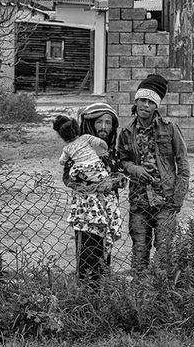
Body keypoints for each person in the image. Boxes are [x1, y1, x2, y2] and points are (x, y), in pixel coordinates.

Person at [116, 73, 190, 271]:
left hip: (165, 200)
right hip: (139, 201)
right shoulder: (126, 132)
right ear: (136, 101)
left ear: (156, 106)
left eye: (151, 102)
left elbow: (183, 165)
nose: (146, 105)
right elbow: (121, 161)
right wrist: (134, 169)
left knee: (164, 252)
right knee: (139, 251)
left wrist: (177, 199)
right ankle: (139, 287)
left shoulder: (169, 128)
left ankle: (160, 288)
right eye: (142, 100)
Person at [58, 107, 125, 284]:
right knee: (88, 257)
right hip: (86, 215)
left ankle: (103, 293)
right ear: (90, 124)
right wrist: (88, 187)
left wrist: (112, 182)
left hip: (108, 213)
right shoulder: (78, 149)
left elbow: (122, 177)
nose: (103, 127)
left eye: (108, 123)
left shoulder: (112, 152)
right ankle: (87, 294)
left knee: (104, 257)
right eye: (99, 122)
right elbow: (67, 178)